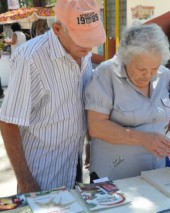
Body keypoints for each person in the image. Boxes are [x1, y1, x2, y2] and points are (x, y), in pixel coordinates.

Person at [0, 0, 105, 193]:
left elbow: (83, 102)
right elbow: (8, 123)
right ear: (57, 29)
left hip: (74, 163)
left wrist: (90, 141)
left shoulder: (83, 52)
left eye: (91, 39)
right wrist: (25, 182)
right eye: (82, 40)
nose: (89, 48)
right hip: (40, 174)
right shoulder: (29, 58)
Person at [84, 23, 170, 181]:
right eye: (141, 69)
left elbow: (160, 115)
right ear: (126, 58)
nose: (148, 75)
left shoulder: (164, 74)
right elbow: (96, 127)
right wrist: (142, 138)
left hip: (155, 172)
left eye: (154, 69)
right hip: (115, 176)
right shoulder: (105, 74)